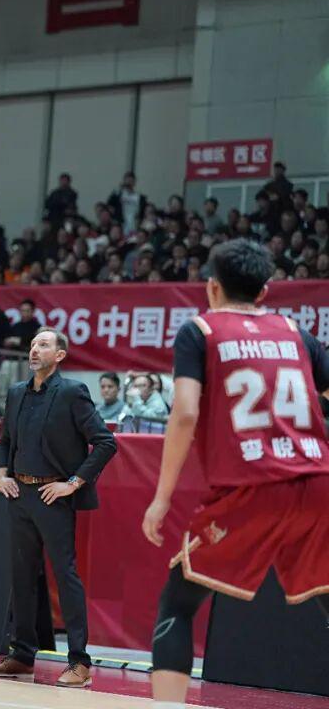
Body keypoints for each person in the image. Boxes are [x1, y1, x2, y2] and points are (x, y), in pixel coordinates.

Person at [141, 239, 329, 707]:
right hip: (318, 483)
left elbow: (185, 413)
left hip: (253, 486)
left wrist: (161, 497)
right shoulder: (296, 332)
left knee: (178, 604)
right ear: (265, 291)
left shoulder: (200, 330)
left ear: (212, 286)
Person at [0, 327, 116, 688]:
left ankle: (80, 662)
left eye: (43, 345)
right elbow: (5, 439)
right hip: (19, 495)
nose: (34, 350)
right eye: (32, 344)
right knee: (22, 576)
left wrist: (72, 483)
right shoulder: (16, 392)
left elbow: (105, 443)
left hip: (53, 496)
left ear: (59, 355)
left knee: (65, 575)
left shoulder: (72, 392)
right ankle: (22, 656)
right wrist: (1, 473)